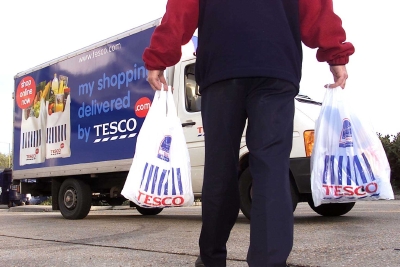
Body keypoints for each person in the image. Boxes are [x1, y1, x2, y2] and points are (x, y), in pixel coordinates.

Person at [143, 1, 355, 266]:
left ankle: (211, 258)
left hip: (222, 70)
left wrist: (159, 58)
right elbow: (316, 8)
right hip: (275, 68)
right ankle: (268, 261)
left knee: (220, 169)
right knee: (272, 171)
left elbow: (181, 9)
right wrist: (336, 54)